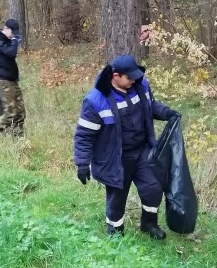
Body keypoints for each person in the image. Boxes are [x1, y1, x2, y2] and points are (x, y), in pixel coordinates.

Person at [74, 54, 180, 239]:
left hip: (142, 151)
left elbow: (151, 106)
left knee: (153, 187)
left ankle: (149, 224)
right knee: (117, 199)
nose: (134, 80)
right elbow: (84, 135)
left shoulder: (140, 85)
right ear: (116, 76)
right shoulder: (95, 101)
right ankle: (115, 234)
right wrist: (82, 163)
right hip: (115, 158)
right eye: (129, 78)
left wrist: (168, 113)